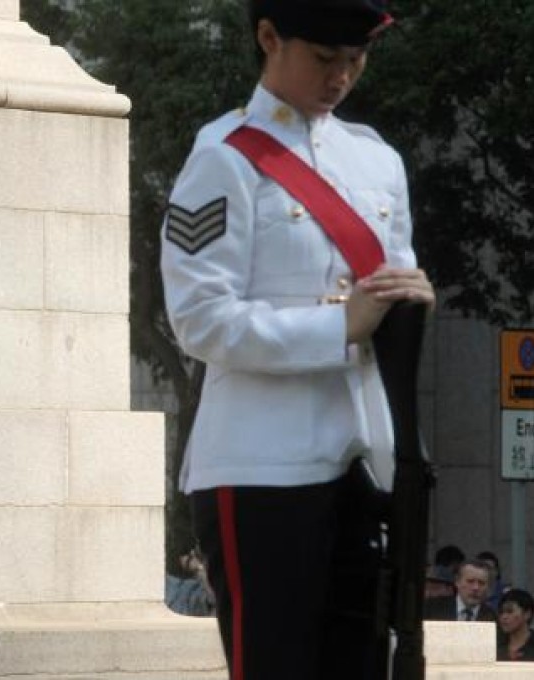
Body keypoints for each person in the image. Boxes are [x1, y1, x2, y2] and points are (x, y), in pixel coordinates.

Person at [159, 1, 435, 678]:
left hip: (363, 459)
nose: (341, 76)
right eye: (323, 57)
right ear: (268, 36)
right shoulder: (224, 158)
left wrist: (408, 300)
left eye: (355, 58)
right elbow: (199, 318)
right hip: (260, 466)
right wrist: (338, 324)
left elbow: (387, 292)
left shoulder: (376, 161)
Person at [424, 559, 496, 622]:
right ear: (457, 582)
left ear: (488, 587)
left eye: (481, 583)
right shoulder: (432, 609)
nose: (476, 588)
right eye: (470, 581)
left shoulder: (492, 618)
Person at [498, 589, 534, 661]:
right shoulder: (496, 644)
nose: (504, 617)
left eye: (510, 611)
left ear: (527, 614)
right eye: (501, 612)